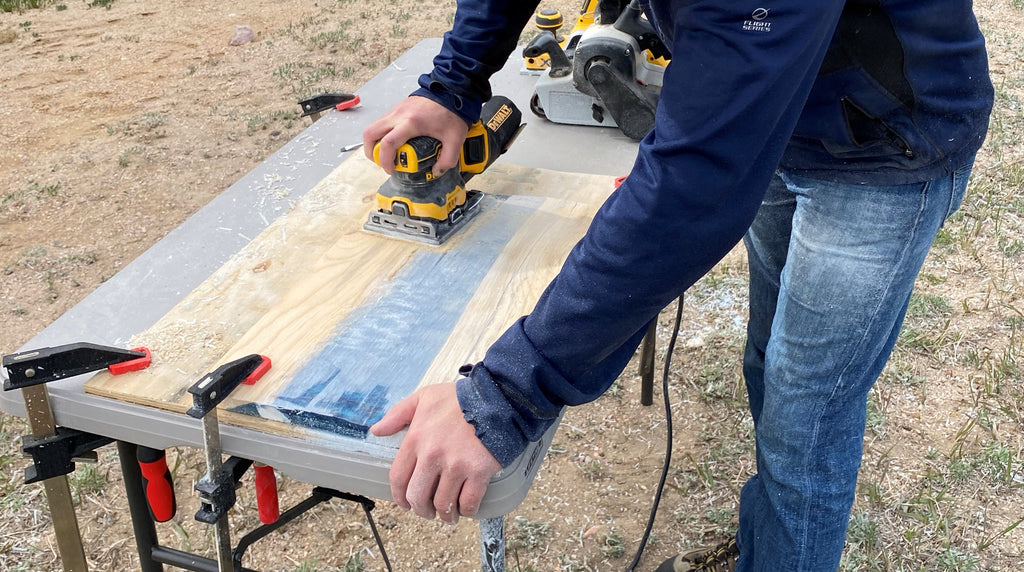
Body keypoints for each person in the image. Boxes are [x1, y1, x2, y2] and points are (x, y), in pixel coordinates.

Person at [362, 0, 993, 569]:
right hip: (775, 118)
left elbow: (697, 184)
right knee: (769, 360)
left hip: (886, 146)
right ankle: (769, 550)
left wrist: (508, 391)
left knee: (806, 414)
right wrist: (452, 84)